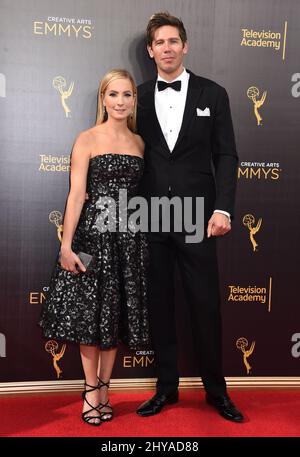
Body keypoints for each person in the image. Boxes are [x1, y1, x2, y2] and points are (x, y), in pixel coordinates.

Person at [136, 12, 244, 422]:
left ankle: (217, 392)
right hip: (150, 217)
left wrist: (223, 207)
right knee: (160, 305)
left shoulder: (213, 94)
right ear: (150, 50)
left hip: (199, 219)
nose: (167, 48)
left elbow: (227, 154)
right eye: (159, 42)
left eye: (173, 41)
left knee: (205, 306)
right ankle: (166, 389)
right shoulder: (138, 96)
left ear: (185, 46)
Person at [39, 69, 150, 426]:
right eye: (113, 94)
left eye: (127, 95)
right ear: (103, 99)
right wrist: (66, 245)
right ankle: (90, 391)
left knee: (113, 314)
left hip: (128, 239)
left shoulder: (140, 143)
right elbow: (75, 195)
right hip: (92, 236)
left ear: (134, 101)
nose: (120, 101)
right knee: (90, 315)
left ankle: (105, 388)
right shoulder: (86, 138)